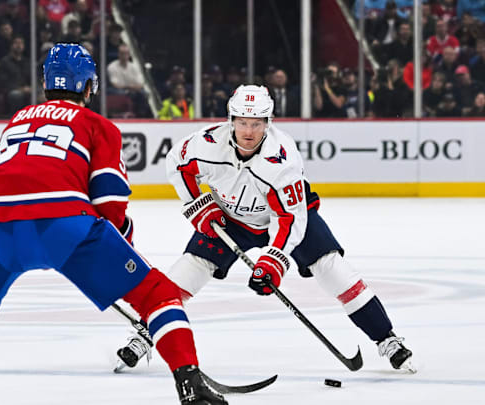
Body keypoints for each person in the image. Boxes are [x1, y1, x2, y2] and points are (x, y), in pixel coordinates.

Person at [0, 43, 226, 405]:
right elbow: (109, 202)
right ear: (88, 86)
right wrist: (120, 246)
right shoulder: (97, 125)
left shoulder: (18, 119)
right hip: (64, 225)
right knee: (156, 295)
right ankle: (190, 386)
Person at [114, 85, 415, 375]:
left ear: (268, 123)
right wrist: (198, 205)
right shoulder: (206, 144)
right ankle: (145, 334)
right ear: (230, 121)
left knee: (331, 266)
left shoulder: (281, 159)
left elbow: (289, 219)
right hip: (230, 218)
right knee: (191, 267)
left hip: (284, 218)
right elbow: (177, 165)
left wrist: (274, 260)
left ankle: (386, 338)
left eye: (256, 124)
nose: (248, 131)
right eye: (242, 122)